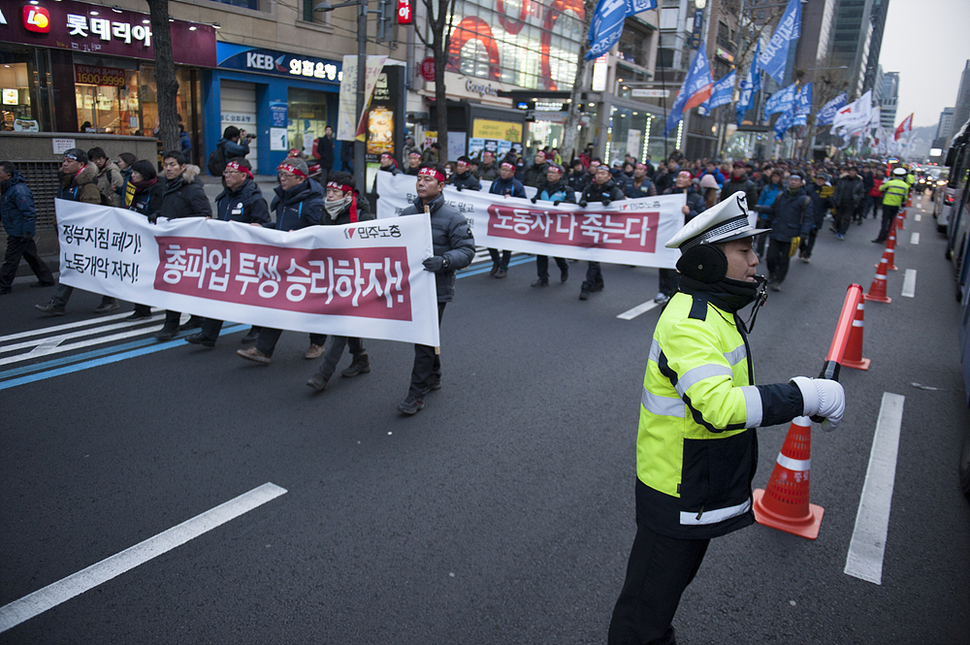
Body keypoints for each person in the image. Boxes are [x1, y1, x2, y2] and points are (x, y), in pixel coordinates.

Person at [607, 195, 845, 645]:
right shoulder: (692, 321)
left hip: (695, 483)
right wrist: (804, 394)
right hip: (678, 488)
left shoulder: (715, 309)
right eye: (744, 251)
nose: (757, 260)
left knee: (656, 609)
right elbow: (719, 407)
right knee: (642, 620)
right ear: (707, 261)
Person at [396, 164, 476, 415]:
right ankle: (435, 374)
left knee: (423, 338)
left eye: (428, 180)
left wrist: (444, 261)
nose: (421, 183)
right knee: (425, 337)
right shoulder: (407, 214)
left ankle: (416, 394)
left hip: (437, 288)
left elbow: (467, 251)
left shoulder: (454, 218)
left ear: (441, 186)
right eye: (419, 178)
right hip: (411, 286)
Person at [237, 157, 328, 363]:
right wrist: (264, 228)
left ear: (300, 179)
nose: (281, 179)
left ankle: (318, 342)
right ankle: (263, 350)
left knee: (311, 304)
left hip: (306, 263)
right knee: (277, 302)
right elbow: (281, 225)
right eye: (281, 175)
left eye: (286, 176)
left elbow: (319, 233)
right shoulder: (283, 197)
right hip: (284, 261)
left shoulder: (313, 203)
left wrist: (296, 236)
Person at [184, 159, 271, 347]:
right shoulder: (224, 197)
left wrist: (258, 226)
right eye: (226, 172)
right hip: (225, 256)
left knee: (250, 294)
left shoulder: (253, 198)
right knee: (218, 292)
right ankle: (208, 334)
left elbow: (264, 224)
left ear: (243, 175)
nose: (227, 175)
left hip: (246, 256)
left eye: (232, 172)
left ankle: (258, 328)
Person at [305, 171, 376, 391]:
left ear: (348, 195)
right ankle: (360, 359)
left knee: (341, 324)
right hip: (332, 276)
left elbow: (375, 250)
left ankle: (323, 374)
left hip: (355, 280)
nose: (330, 195)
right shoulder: (325, 213)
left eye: (335, 192)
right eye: (328, 191)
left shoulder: (363, 217)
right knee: (346, 323)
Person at [35, 149, 120, 315]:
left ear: (81, 164)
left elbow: (92, 214)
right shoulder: (67, 184)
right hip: (71, 236)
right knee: (77, 267)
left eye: (69, 161)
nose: (64, 164)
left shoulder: (87, 186)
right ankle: (107, 299)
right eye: (64, 160)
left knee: (79, 267)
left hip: (84, 237)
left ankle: (59, 303)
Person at [151, 151, 213, 339]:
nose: (168, 168)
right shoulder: (165, 186)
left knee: (174, 282)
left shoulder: (192, 188)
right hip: (172, 243)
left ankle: (171, 325)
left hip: (188, 244)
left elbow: (205, 214)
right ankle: (197, 317)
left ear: (182, 167)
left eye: (172, 165)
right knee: (184, 283)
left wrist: (177, 222)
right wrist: (157, 215)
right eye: (165, 165)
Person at [1, 161, 55, 294]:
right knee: (31, 256)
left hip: (18, 231)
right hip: (16, 229)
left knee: (11, 259)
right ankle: (46, 279)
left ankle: (3, 285)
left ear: (8, 174)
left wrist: (27, 231)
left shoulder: (19, 190)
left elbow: (29, 212)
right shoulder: (8, 189)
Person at [754, 171, 813, 292]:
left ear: (801, 183)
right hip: (776, 231)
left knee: (784, 259)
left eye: (796, 180)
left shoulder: (805, 200)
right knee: (770, 256)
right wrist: (760, 208)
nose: (793, 182)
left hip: (792, 234)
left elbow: (808, 219)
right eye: (791, 179)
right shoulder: (781, 196)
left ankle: (778, 281)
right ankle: (772, 272)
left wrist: (803, 234)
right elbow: (773, 210)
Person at [122, 159, 165, 319]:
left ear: (145, 173)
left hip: (151, 240)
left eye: (136, 173)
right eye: (132, 172)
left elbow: (161, 210)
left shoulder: (157, 189)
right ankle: (141, 309)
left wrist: (156, 214)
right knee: (137, 274)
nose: (132, 175)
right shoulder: (133, 189)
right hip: (135, 239)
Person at [578, 165, 626, 300]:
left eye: (603, 173)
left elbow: (622, 207)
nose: (600, 176)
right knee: (593, 257)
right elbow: (582, 200)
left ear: (609, 176)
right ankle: (598, 282)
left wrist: (612, 204)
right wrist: (582, 202)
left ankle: (587, 285)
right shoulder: (589, 188)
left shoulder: (615, 191)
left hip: (606, 229)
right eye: (598, 173)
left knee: (594, 257)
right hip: (590, 228)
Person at [657, 171, 705, 304]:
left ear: (690, 182)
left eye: (684, 177)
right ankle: (662, 290)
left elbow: (702, 218)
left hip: (686, 237)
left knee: (678, 266)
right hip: (668, 234)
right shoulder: (668, 194)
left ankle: (674, 292)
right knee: (664, 263)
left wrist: (690, 213)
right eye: (679, 176)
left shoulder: (696, 198)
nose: (680, 179)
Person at [529, 163, 574, 286]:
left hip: (558, 225)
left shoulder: (566, 189)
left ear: (560, 175)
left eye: (553, 173)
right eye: (549, 172)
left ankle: (564, 267)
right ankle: (543, 278)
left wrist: (563, 203)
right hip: (543, 224)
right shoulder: (542, 188)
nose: (550, 175)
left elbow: (573, 203)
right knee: (541, 252)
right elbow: (537, 198)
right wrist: (534, 200)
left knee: (556, 251)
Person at [487, 161, 526, 278]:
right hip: (495, 216)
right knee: (489, 241)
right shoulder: (495, 182)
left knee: (506, 244)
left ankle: (503, 268)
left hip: (509, 218)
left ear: (513, 172)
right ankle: (496, 262)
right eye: (502, 169)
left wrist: (512, 199)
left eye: (506, 170)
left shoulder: (517, 185)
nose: (503, 172)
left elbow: (523, 201)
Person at [800, 171, 832, 263]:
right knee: (801, 236)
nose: (820, 181)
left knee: (812, 236)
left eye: (822, 180)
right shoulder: (809, 188)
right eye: (819, 179)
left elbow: (832, 204)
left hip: (818, 216)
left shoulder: (827, 190)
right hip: (806, 215)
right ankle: (803, 249)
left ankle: (807, 254)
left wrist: (829, 199)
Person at [874, 167, 910, 244]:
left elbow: (881, 189)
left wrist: (885, 183)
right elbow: (905, 198)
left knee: (884, 221)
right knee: (891, 222)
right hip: (896, 205)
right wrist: (903, 206)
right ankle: (889, 236)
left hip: (887, 204)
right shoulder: (905, 186)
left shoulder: (890, 183)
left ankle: (881, 238)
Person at [753, 170, 784, 257]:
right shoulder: (767, 188)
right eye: (773, 177)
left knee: (773, 236)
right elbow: (761, 200)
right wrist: (758, 213)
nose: (775, 179)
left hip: (776, 215)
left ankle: (771, 254)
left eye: (777, 177)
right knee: (762, 235)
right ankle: (759, 252)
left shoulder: (783, 189)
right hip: (764, 213)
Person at [830, 165, 864, 240]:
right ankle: (838, 229)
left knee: (846, 218)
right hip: (841, 201)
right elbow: (837, 189)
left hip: (851, 202)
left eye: (854, 171)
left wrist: (857, 199)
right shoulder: (842, 180)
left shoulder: (859, 181)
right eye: (851, 171)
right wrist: (835, 199)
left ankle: (842, 232)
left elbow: (861, 192)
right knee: (838, 217)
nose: (852, 172)